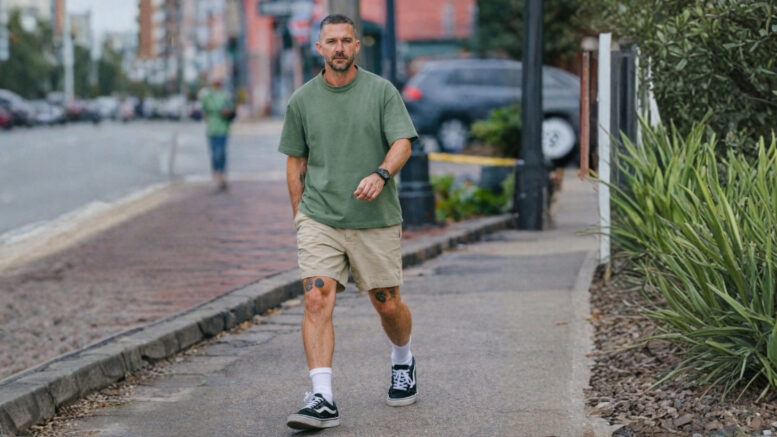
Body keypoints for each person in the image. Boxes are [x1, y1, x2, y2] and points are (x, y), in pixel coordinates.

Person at [278, 14, 418, 431]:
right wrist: (300, 218)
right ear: (318, 48)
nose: (338, 48)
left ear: (357, 46)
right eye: (331, 42)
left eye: (346, 41)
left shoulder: (380, 92)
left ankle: (403, 358)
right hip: (320, 217)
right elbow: (295, 163)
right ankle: (322, 398)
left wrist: (381, 174)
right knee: (316, 297)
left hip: (373, 220)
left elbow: (402, 142)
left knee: (386, 303)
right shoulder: (302, 100)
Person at [200, 77, 234, 191]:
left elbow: (231, 111)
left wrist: (226, 113)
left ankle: (221, 176)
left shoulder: (225, 96)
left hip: (223, 129)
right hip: (212, 129)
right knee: (214, 154)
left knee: (221, 153)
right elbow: (204, 110)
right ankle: (216, 177)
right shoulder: (207, 96)